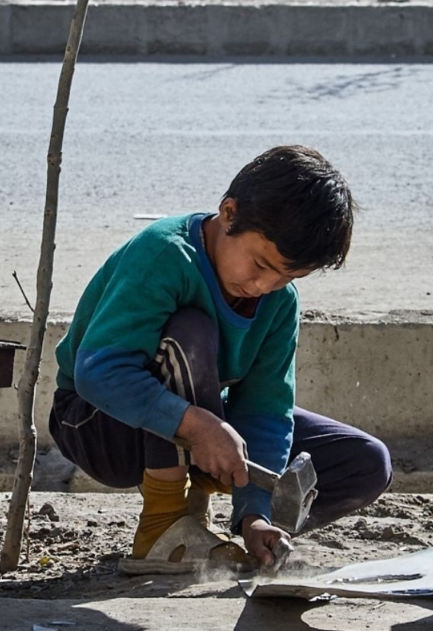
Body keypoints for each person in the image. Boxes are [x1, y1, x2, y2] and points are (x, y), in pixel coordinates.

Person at [49, 145, 392, 574]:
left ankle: (237, 522)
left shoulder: (279, 302)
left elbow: (265, 410)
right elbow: (96, 372)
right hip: (97, 424)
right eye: (261, 264)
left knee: (365, 462)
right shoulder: (165, 255)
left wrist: (256, 515)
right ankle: (163, 525)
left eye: (288, 276)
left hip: (200, 424)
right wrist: (199, 427)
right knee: (190, 332)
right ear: (229, 213)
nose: (265, 285)